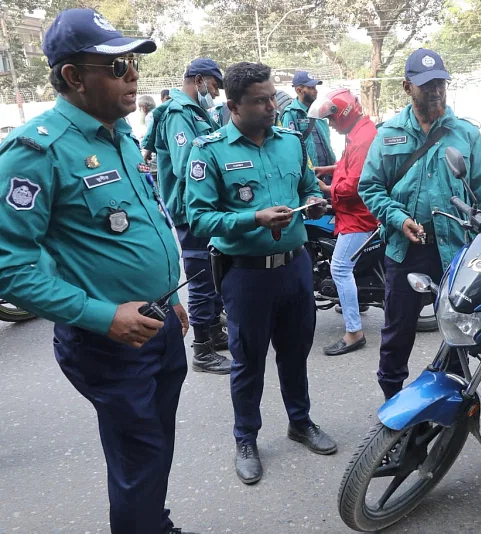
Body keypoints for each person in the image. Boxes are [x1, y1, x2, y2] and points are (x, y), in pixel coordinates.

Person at [0, 9, 192, 533]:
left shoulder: (121, 134)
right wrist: (102, 316)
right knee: (139, 456)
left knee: (155, 448)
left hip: (158, 321)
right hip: (108, 340)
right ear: (72, 76)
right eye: (117, 66)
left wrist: (168, 295)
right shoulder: (36, 151)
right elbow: (8, 267)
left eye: (132, 64)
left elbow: (139, 226)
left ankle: (153, 520)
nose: (133, 76)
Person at [185, 61, 338, 486]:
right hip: (246, 275)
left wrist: (315, 200)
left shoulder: (289, 142)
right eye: (261, 100)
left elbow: (307, 185)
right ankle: (246, 437)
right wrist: (253, 218)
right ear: (233, 105)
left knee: (295, 352)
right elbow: (197, 217)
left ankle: (300, 421)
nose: (273, 105)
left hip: (296, 268)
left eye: (273, 97)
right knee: (248, 360)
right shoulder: (209, 150)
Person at [359, 48, 481, 400]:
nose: (435, 90)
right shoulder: (389, 133)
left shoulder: (465, 134)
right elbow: (370, 187)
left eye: (440, 83)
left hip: (458, 251)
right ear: (408, 87)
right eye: (426, 85)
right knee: (397, 329)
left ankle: (450, 393)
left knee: (460, 327)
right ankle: (391, 397)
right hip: (406, 249)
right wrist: (398, 218)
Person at [155, 58, 231, 374]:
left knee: (214, 272)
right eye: (213, 86)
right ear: (199, 80)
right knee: (201, 275)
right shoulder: (177, 114)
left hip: (204, 205)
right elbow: (186, 164)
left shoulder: (194, 112)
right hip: (191, 208)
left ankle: (213, 332)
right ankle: (201, 349)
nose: (214, 93)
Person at [308, 88, 379, 356]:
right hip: (351, 212)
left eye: (332, 119)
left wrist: (325, 190)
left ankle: (354, 332)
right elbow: (348, 165)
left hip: (358, 216)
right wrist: (326, 171)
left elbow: (355, 184)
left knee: (339, 268)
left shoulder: (362, 140)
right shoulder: (359, 132)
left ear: (344, 114)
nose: (330, 125)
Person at [280, 71, 337, 197]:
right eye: (310, 88)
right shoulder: (292, 114)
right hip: (310, 176)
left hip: (328, 172)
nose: (315, 91)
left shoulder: (320, 111)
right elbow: (289, 149)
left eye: (315, 87)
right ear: (299, 90)